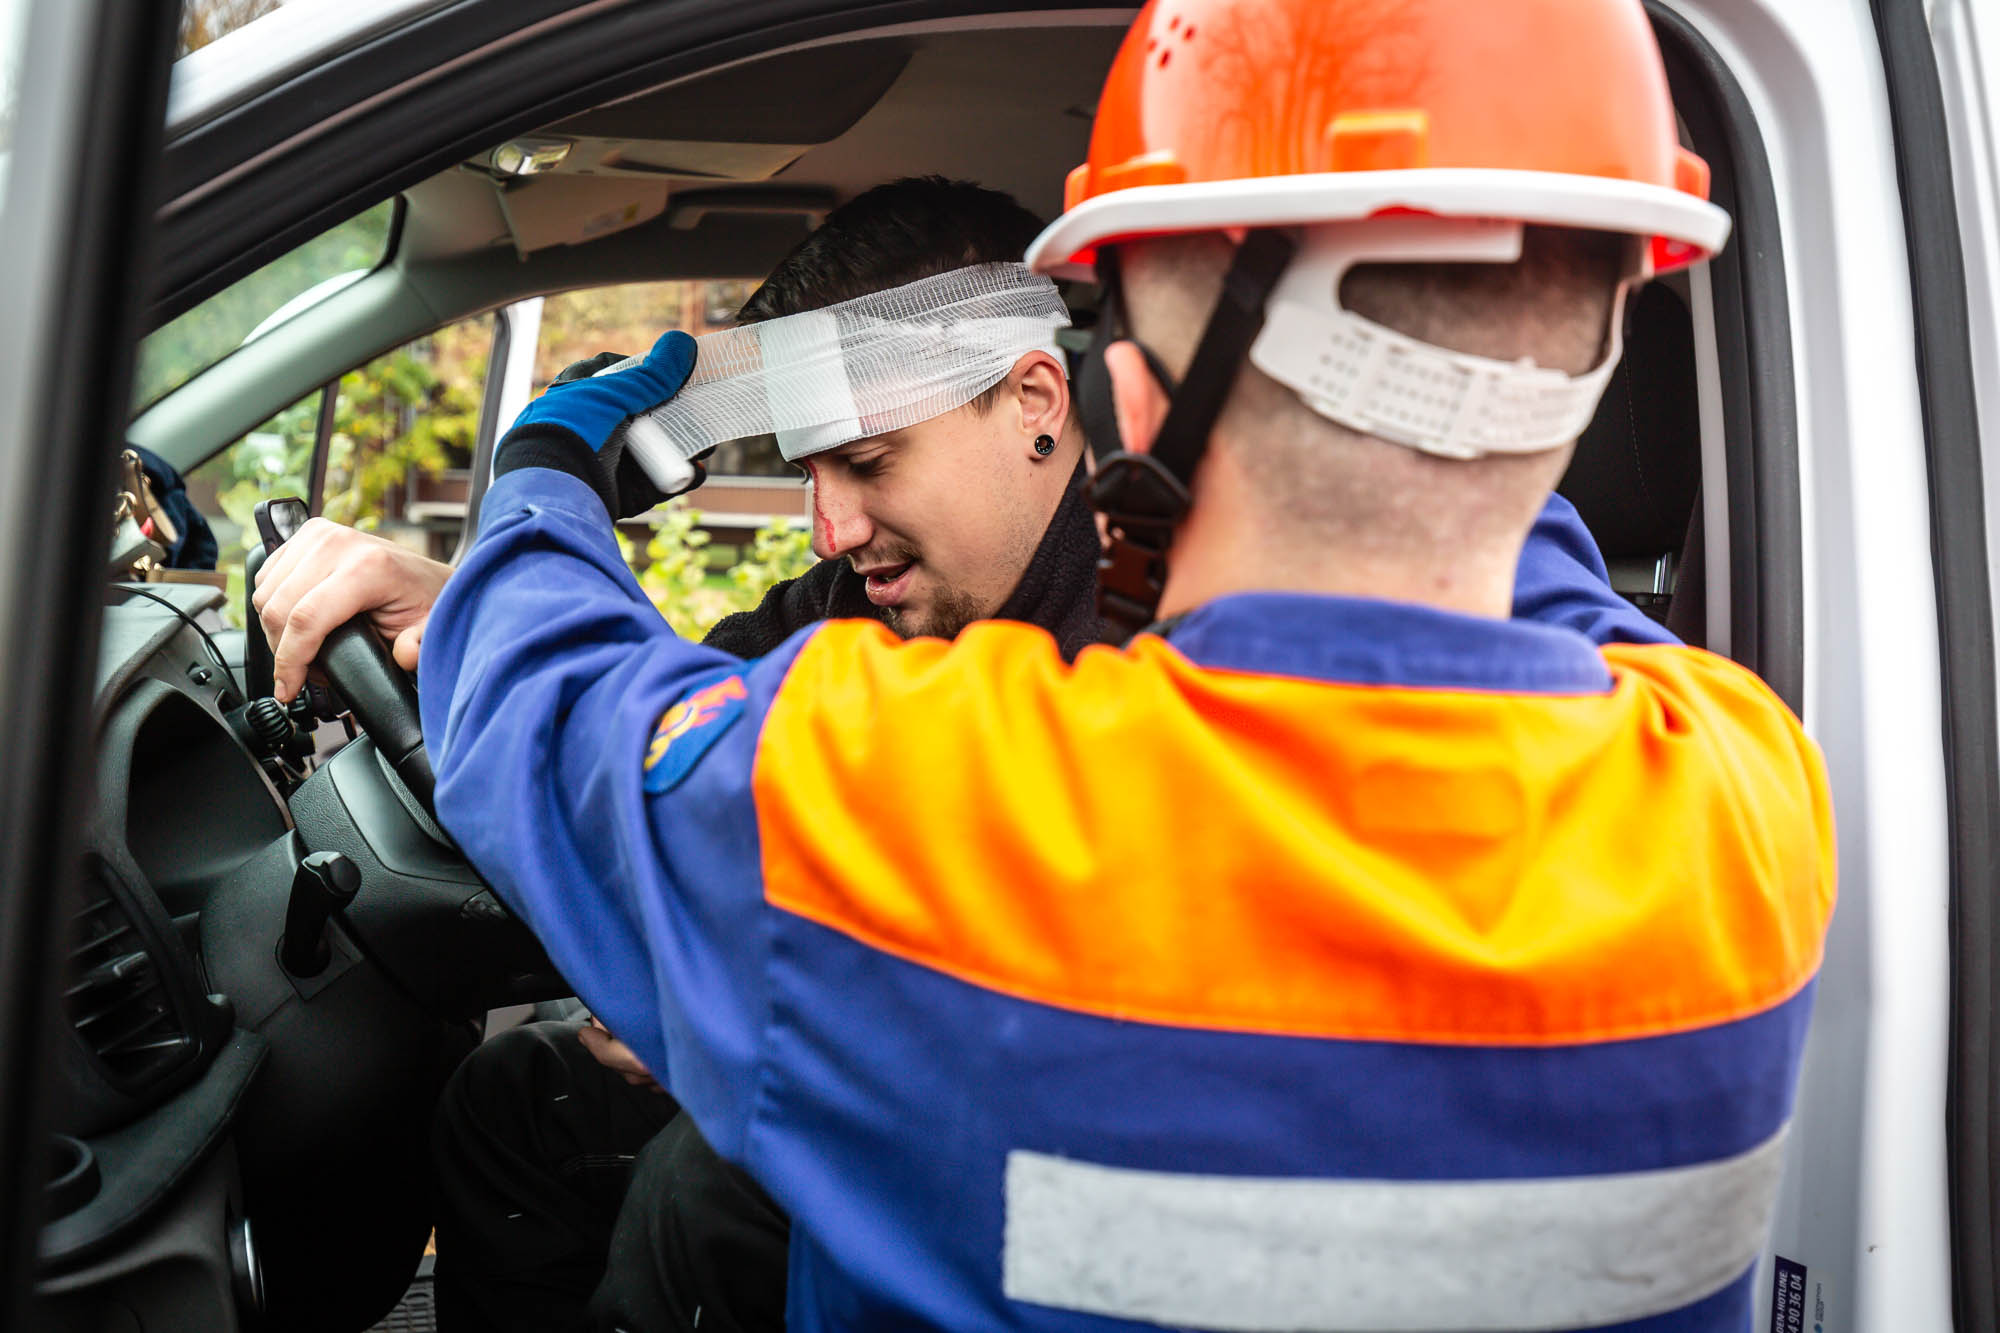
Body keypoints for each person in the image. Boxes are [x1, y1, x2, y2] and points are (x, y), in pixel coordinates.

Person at [302, 2, 1841, 1320]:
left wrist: (554, 451)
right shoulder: (1749, 801)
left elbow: (552, 706)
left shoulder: (955, 817)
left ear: (1118, 409)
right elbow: (1509, 528)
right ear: (1585, 365)